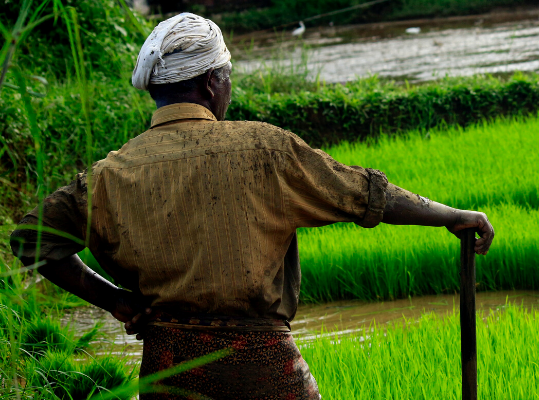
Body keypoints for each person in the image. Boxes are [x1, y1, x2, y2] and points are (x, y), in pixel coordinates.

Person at [9, 13, 494, 400]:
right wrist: (454, 216)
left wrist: (115, 299)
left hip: (167, 369)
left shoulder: (111, 173)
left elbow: (30, 238)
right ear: (212, 83)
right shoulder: (264, 148)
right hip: (260, 363)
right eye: (228, 77)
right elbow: (365, 193)